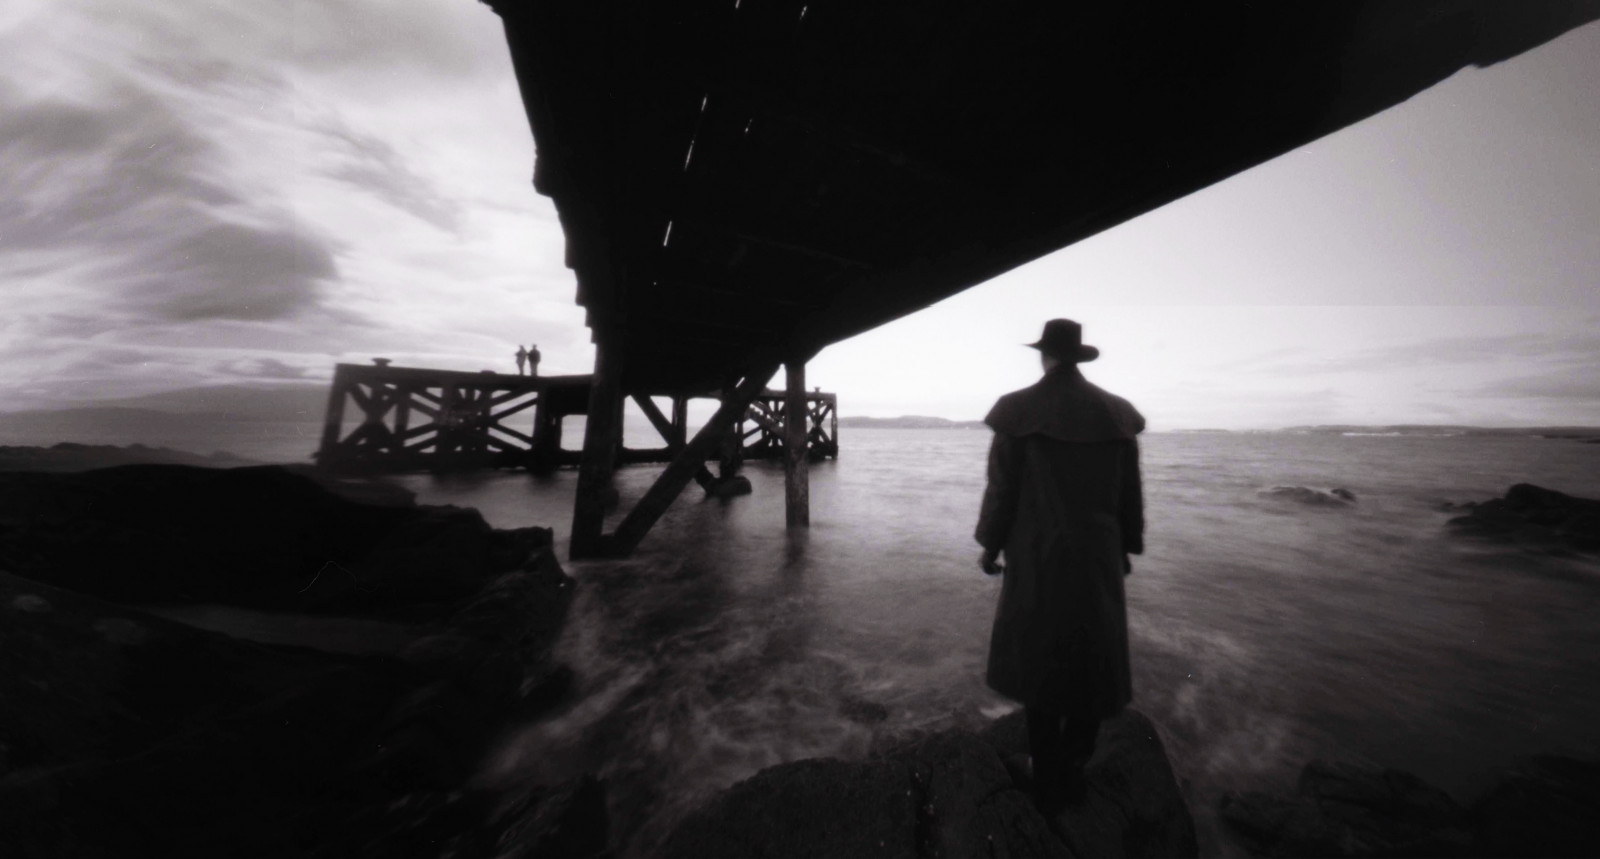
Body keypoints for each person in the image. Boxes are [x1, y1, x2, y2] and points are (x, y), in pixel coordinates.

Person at [974, 318, 1145, 813]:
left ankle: (1048, 775)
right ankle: (1076, 760)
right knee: (1092, 651)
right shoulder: (1115, 415)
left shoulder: (1018, 412)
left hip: (1038, 552)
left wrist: (990, 545)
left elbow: (1002, 489)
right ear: (1077, 356)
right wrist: (1127, 547)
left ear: (1044, 355)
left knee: (1039, 655)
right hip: (1099, 554)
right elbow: (1129, 494)